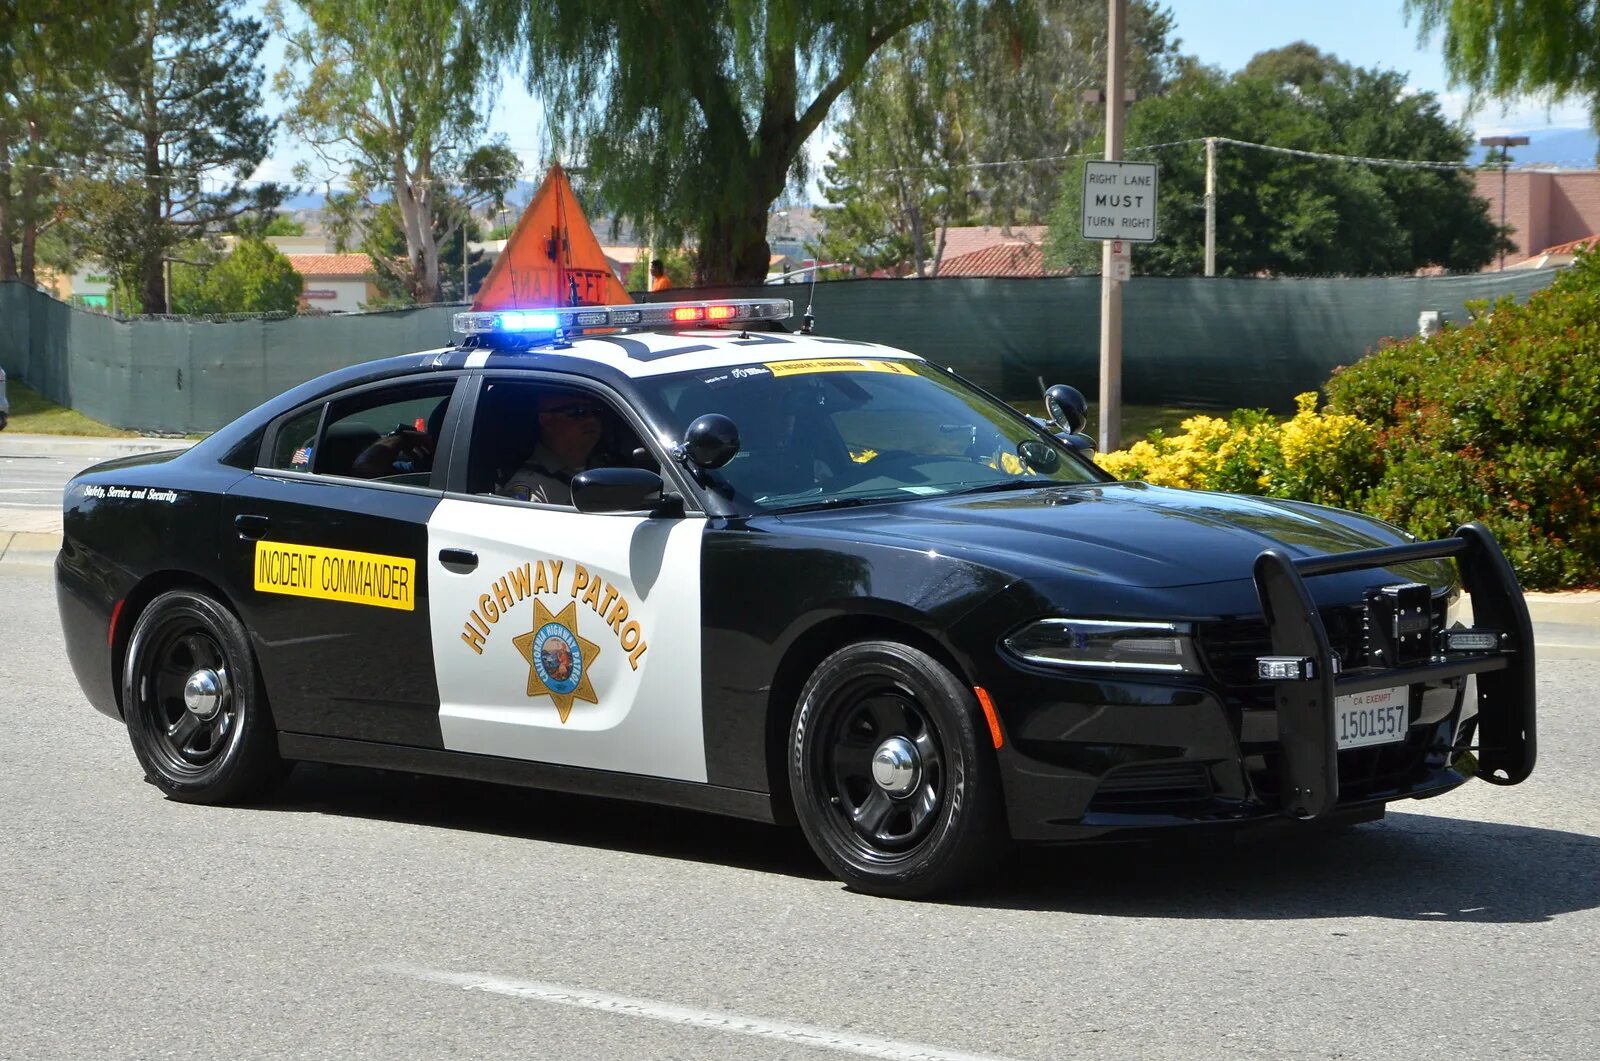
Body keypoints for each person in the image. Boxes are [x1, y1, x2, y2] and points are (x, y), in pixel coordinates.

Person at [497, 391, 608, 505]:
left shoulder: (607, 466)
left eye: (596, 411)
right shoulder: (532, 487)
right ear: (547, 421)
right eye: (577, 412)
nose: (591, 420)